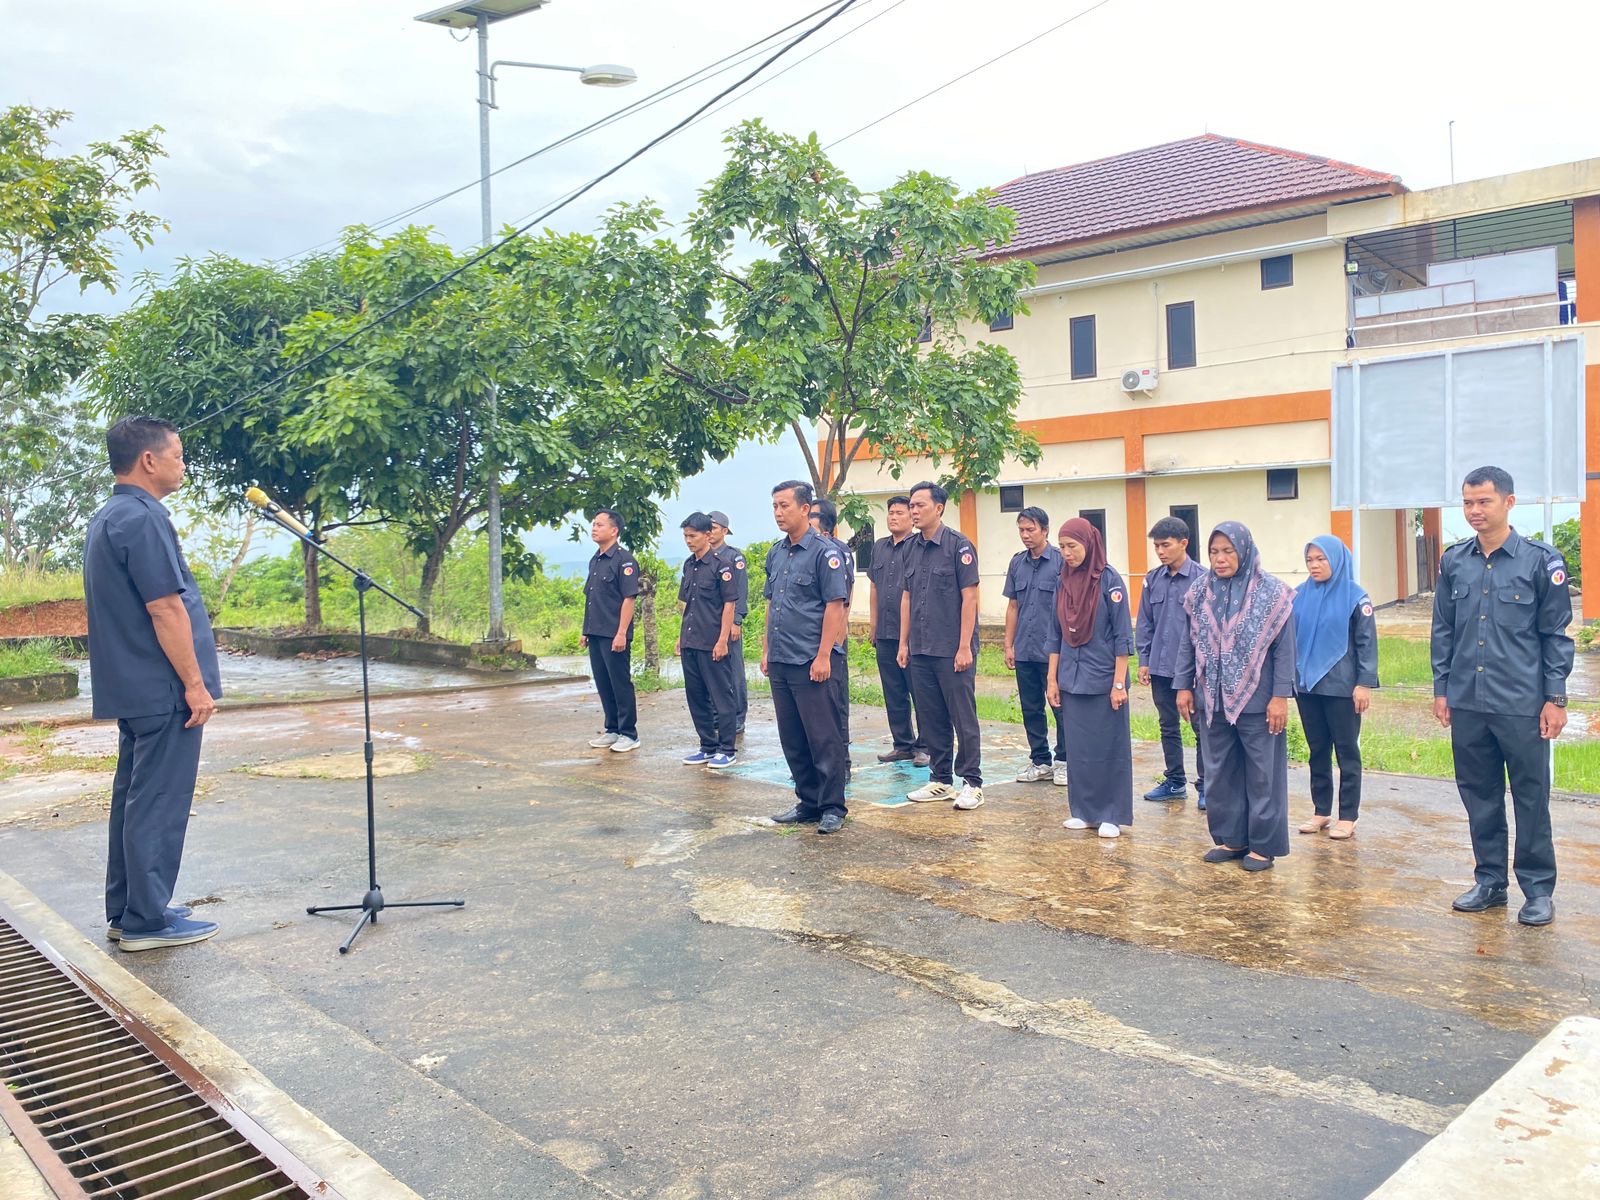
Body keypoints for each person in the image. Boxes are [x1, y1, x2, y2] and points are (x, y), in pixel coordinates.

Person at [83, 416, 222, 952]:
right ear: (149, 460)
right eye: (179, 455)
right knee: (158, 801)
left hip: (135, 686)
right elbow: (165, 607)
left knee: (135, 798)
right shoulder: (142, 519)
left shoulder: (111, 516)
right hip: (162, 688)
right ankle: (146, 921)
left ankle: (129, 909)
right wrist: (194, 683)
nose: (183, 465)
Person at [1432, 466, 1573, 927]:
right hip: (1469, 701)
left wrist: (1555, 698)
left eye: (1484, 501)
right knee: (1480, 795)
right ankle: (1490, 881)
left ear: (1509, 502)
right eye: (1468, 502)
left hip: (1522, 704)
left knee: (1531, 797)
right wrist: (1442, 689)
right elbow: (1445, 631)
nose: (1474, 511)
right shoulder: (1454, 561)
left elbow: (1555, 635)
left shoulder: (1539, 561)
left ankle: (1537, 890)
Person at [1175, 523, 1295, 872]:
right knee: (1220, 772)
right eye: (1214, 552)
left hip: (1259, 702)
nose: (1220, 559)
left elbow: (1285, 651)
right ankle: (1232, 838)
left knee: (1262, 775)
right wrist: (1184, 686)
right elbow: (1188, 641)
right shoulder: (1199, 592)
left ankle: (1263, 846)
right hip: (1211, 700)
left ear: (1243, 550)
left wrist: (1280, 697)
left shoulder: (1273, 594)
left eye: (1228, 551)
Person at [762, 481, 851, 834]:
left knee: (823, 736)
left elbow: (834, 606)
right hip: (782, 658)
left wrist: (824, 655)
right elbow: (772, 604)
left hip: (811, 659)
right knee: (792, 736)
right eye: (774, 507)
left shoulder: (824, 553)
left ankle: (832, 807)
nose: (778, 513)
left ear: (804, 508)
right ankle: (808, 801)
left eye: (784, 506)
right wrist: (767, 650)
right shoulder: (776, 553)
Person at [898, 481, 984, 809]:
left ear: (939, 508)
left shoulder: (958, 546)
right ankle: (940, 780)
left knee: (962, 717)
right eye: (911, 505)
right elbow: (906, 597)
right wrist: (904, 643)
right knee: (931, 716)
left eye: (920, 505)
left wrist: (964, 647)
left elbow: (970, 597)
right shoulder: (910, 547)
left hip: (951, 649)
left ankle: (972, 782)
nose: (913, 511)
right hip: (920, 647)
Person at [1046, 519, 1134, 837]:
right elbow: (1054, 634)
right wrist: (1052, 680)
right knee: (1080, 751)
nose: (1067, 553)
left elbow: (1123, 637)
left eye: (1073, 546)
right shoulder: (1063, 581)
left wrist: (1119, 683)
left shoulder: (1108, 581)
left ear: (1089, 544)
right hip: (1071, 679)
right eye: (1062, 547)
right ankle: (1083, 812)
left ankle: (1112, 813)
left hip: (1104, 679)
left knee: (1109, 748)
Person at [1293, 536, 1378, 840]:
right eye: (1310, 560)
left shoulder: (1356, 597)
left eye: (1321, 559)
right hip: (1307, 686)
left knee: (1346, 751)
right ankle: (1320, 811)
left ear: (1337, 560)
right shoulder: (1299, 595)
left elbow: (1366, 644)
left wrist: (1364, 683)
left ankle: (1348, 816)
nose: (1314, 565)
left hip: (1343, 687)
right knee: (1317, 750)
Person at [1136, 516, 1206, 808]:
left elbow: (1206, 629)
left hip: (1192, 671)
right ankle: (1175, 781)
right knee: (1168, 725)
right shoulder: (1152, 579)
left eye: (1166, 545)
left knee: (1201, 727)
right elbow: (1145, 623)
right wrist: (1144, 659)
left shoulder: (1203, 579)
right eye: (1156, 547)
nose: (1161, 552)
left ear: (1183, 544)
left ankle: (1207, 785)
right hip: (1161, 667)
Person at [1004, 506, 1068, 786]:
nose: (1025, 535)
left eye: (1031, 530)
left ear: (1045, 531)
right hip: (1025, 649)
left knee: (1060, 706)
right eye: (1021, 530)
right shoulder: (1017, 563)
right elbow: (1013, 606)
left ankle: (1066, 761)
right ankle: (1040, 760)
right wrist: (1009, 645)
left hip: (1054, 650)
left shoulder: (1060, 562)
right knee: (1031, 707)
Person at [675, 512, 739, 768]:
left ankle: (727, 748)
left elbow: (729, 604)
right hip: (691, 641)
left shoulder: (721, 565)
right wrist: (681, 637)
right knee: (696, 696)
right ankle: (707, 746)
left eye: (693, 536)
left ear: (707, 535)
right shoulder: (689, 565)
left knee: (721, 696)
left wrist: (723, 640)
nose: (689, 541)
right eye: (685, 536)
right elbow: (686, 605)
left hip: (713, 642)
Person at [867, 496, 928, 766]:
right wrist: (873, 624)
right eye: (890, 512)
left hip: (913, 635)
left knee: (920, 691)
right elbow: (873, 588)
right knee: (893, 692)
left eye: (899, 513)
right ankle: (902, 744)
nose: (893, 517)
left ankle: (925, 746)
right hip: (885, 632)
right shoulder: (879, 547)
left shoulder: (917, 546)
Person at [581, 509, 642, 753]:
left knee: (619, 682)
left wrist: (621, 633)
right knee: (603, 682)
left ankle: (629, 733)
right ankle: (612, 729)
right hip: (596, 631)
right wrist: (586, 630)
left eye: (599, 524)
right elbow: (592, 597)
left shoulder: (624, 561)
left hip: (614, 633)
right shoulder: (595, 560)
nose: (594, 528)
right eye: (593, 524)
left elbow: (629, 599)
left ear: (614, 530)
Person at [809, 498, 855, 765]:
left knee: (836, 702)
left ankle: (842, 762)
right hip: (804, 642)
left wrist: (839, 633)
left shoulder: (837, 551)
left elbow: (843, 598)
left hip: (832, 640)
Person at [707, 511, 749, 735]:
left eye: (713, 528)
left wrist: (736, 621)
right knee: (713, 672)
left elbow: (740, 591)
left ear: (724, 531)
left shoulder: (734, 558)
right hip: (709, 624)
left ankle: (738, 716)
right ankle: (717, 715)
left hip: (729, 622)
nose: (709, 532)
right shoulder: (703, 557)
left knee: (733, 671)